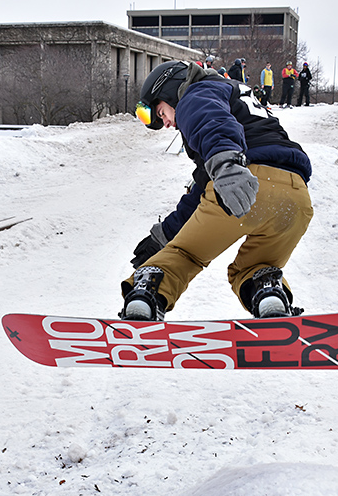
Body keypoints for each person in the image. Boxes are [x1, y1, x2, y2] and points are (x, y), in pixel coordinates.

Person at [126, 61, 313, 321]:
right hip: (295, 196)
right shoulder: (235, 93)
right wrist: (164, 235)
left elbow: (212, 121)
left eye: (160, 113)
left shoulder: (196, 93)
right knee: (256, 267)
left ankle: (147, 295)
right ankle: (268, 293)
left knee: (185, 255)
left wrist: (227, 167)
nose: (167, 123)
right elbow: (202, 191)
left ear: (170, 92)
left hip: (244, 175)